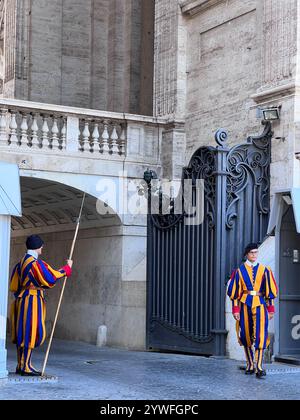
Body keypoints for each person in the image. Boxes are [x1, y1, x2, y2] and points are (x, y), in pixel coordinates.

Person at [10, 234, 73, 376]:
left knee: (22, 332)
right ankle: (26, 366)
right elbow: (51, 278)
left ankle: (21, 364)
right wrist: (67, 269)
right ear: (38, 247)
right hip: (32, 300)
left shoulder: (20, 263)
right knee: (30, 332)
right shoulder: (34, 263)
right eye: (41, 246)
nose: (42, 248)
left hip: (22, 299)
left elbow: (14, 285)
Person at [227, 243, 278, 379]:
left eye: (256, 252)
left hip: (260, 305)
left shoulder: (265, 270)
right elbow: (235, 294)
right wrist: (235, 310)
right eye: (251, 253)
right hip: (244, 305)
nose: (254, 255)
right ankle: (250, 363)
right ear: (247, 255)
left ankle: (259, 366)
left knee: (261, 334)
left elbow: (270, 292)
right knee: (246, 335)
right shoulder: (239, 271)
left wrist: (271, 309)